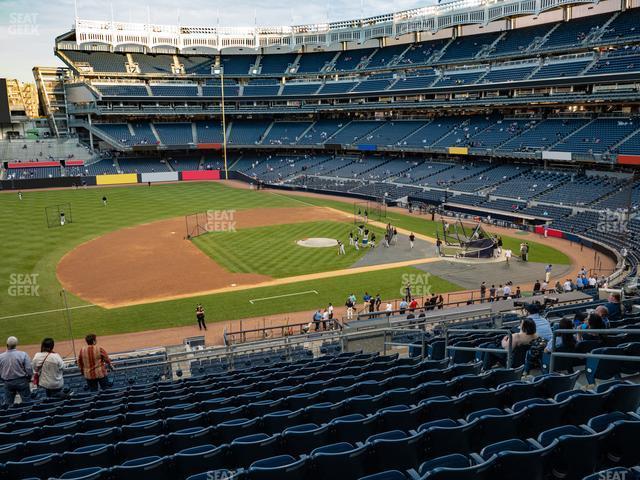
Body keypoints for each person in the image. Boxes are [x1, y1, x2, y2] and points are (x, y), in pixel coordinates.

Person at [0, 336, 33, 405]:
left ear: (7, 345)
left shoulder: (1, 357)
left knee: (8, 404)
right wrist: (28, 378)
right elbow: (29, 369)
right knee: (27, 402)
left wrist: (3, 380)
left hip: (8, 382)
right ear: (16, 345)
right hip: (22, 381)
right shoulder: (23, 354)